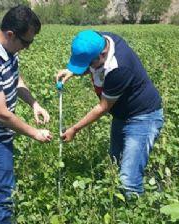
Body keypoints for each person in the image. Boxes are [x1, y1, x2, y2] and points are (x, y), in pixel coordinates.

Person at [0, 5, 52, 223]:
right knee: (5, 196)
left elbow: (15, 78)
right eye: (26, 42)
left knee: (1, 185)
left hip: (1, 134)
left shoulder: (8, 50)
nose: (28, 47)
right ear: (10, 34)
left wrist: (34, 104)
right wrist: (35, 133)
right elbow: (1, 114)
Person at [56, 30, 163, 198]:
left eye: (89, 63)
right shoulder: (101, 39)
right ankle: (146, 185)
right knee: (117, 161)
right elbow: (91, 65)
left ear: (102, 54)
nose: (88, 67)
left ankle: (139, 208)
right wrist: (74, 71)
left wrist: (74, 129)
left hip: (143, 117)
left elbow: (103, 107)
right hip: (122, 114)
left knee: (128, 181)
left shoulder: (119, 68)